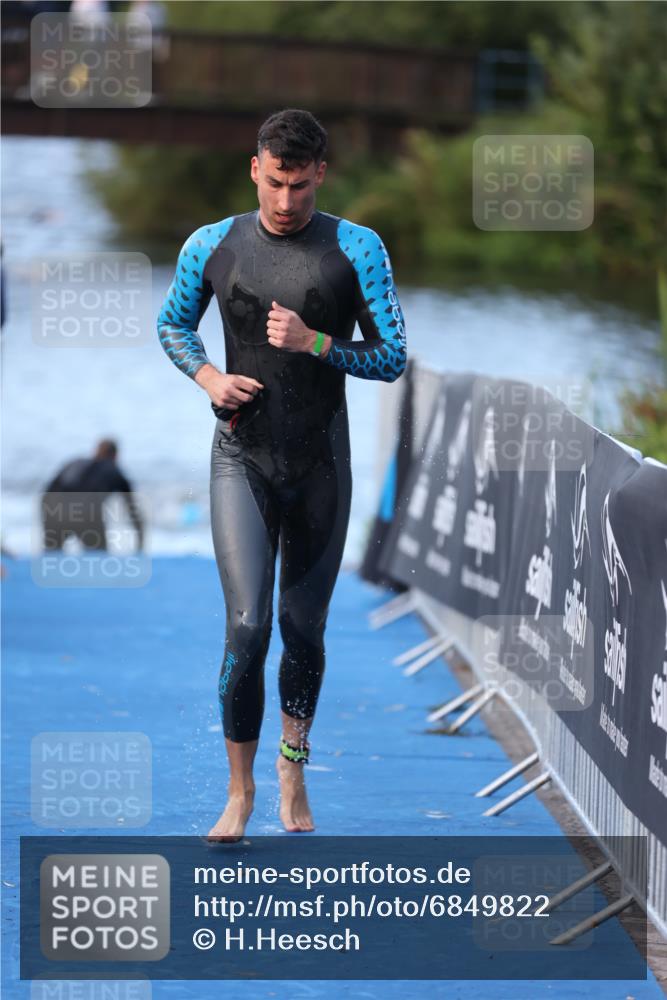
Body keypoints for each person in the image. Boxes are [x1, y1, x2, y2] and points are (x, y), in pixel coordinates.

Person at [157, 108, 406, 841]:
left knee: (303, 630)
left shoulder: (356, 249)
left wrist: (316, 341)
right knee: (248, 625)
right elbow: (172, 324)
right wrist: (207, 375)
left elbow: (390, 356)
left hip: (320, 462)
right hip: (242, 457)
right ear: (254, 169)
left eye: (299, 186)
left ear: (320, 175)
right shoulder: (211, 244)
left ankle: (292, 767)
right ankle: (238, 790)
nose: (286, 201)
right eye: (274, 183)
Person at [41, 438, 144, 551]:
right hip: (86, 514)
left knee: (52, 554)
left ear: (95, 451)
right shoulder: (114, 471)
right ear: (115, 455)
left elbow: (48, 491)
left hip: (54, 510)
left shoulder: (75, 463)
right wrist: (140, 544)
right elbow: (132, 508)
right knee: (98, 557)